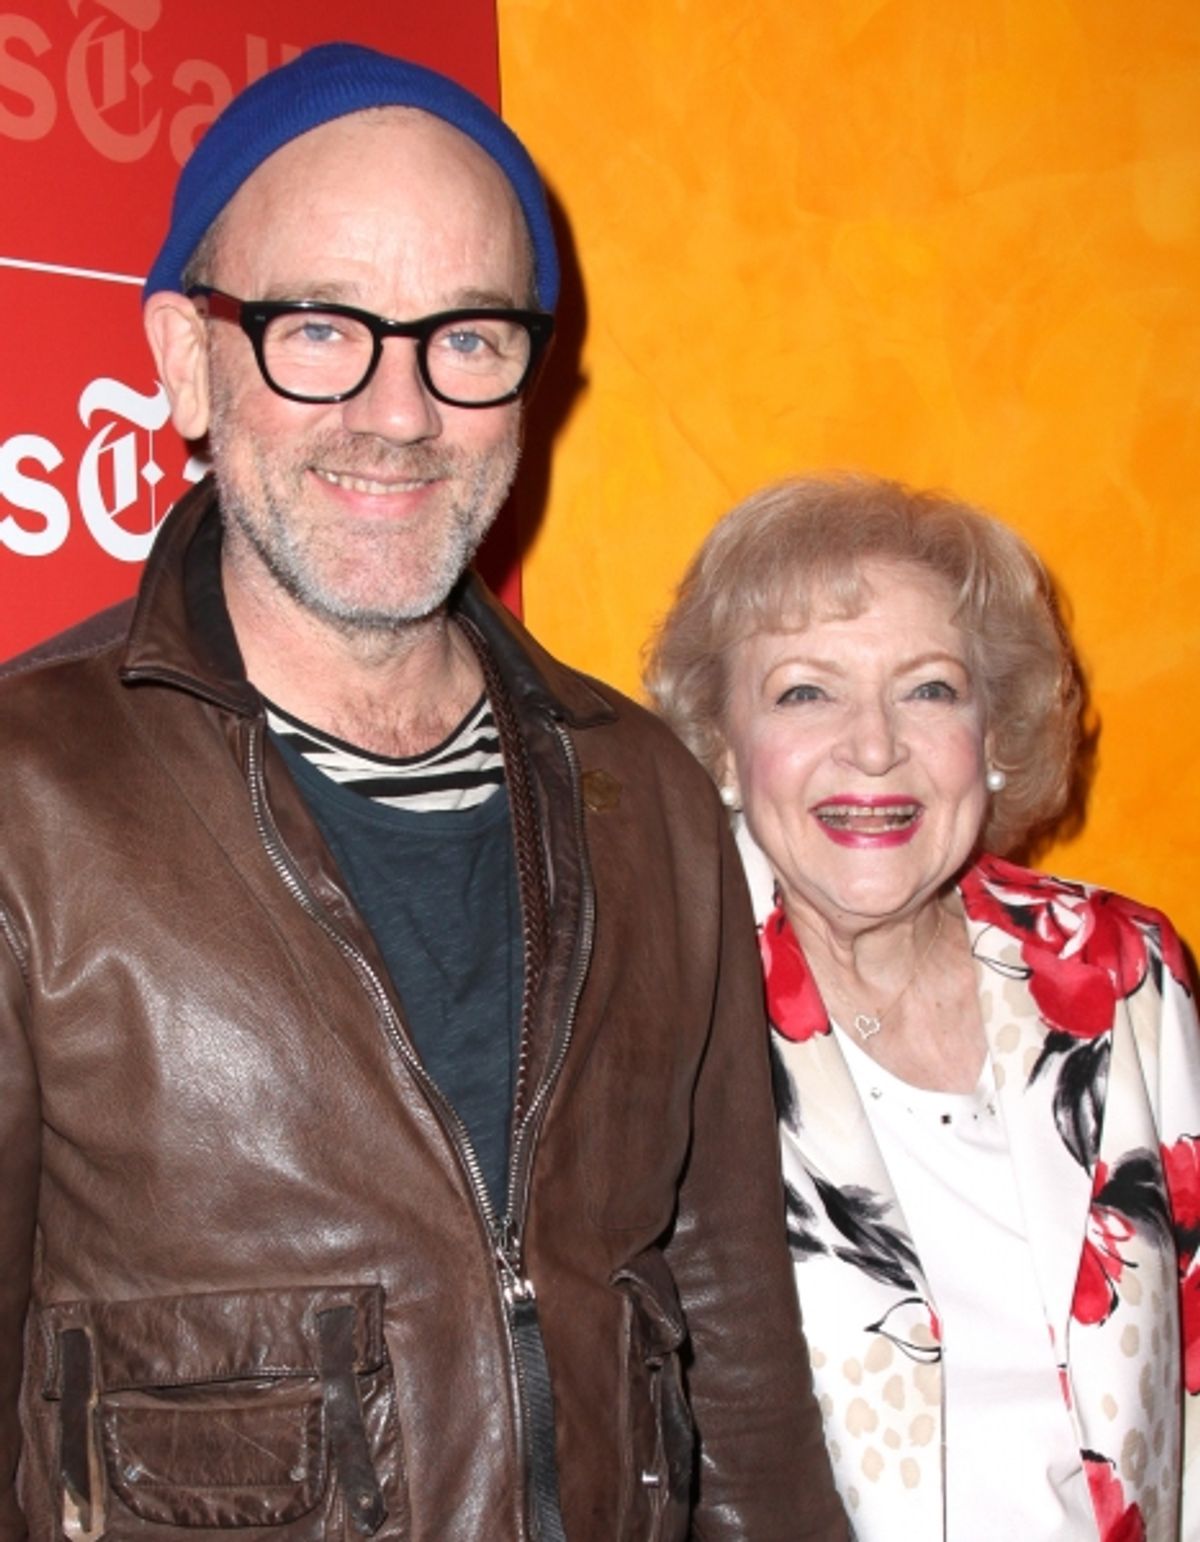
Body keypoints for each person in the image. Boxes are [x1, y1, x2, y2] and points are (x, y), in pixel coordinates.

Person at [0, 44, 848, 1542]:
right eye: (319, 327)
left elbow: (735, 1356)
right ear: (189, 362)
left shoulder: (647, 795)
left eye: (466, 336)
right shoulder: (24, 797)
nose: (398, 412)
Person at [646, 473, 1200, 1541]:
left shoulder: (1126, 974)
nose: (874, 746)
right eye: (806, 692)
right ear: (723, 746)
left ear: (994, 735)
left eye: (930, 689)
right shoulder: (657, 1005)